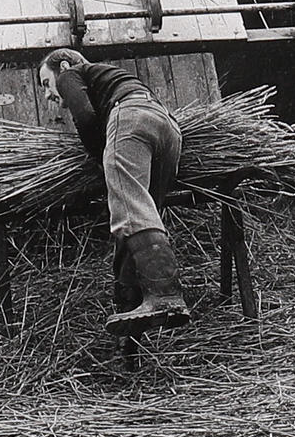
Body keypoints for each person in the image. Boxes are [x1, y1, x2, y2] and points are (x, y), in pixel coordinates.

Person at [38, 48, 190, 335]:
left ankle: (165, 294)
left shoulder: (72, 73)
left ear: (64, 66)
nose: (48, 95)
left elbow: (85, 116)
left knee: (130, 212)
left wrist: (104, 156)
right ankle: (132, 307)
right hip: (168, 129)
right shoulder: (112, 78)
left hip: (130, 119)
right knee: (140, 217)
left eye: (47, 83)